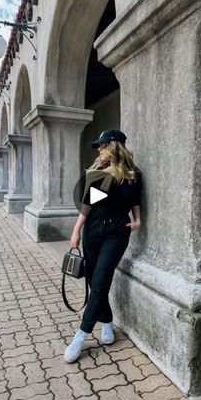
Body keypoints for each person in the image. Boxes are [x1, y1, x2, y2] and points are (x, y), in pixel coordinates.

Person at [64, 129, 142, 363]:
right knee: (93, 278)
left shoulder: (132, 174)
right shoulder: (100, 173)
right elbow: (89, 204)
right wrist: (77, 230)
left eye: (103, 145)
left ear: (115, 146)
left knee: (100, 281)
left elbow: (135, 199)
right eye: (98, 146)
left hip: (117, 233)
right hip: (94, 230)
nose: (99, 149)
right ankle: (107, 321)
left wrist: (138, 220)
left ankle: (81, 335)